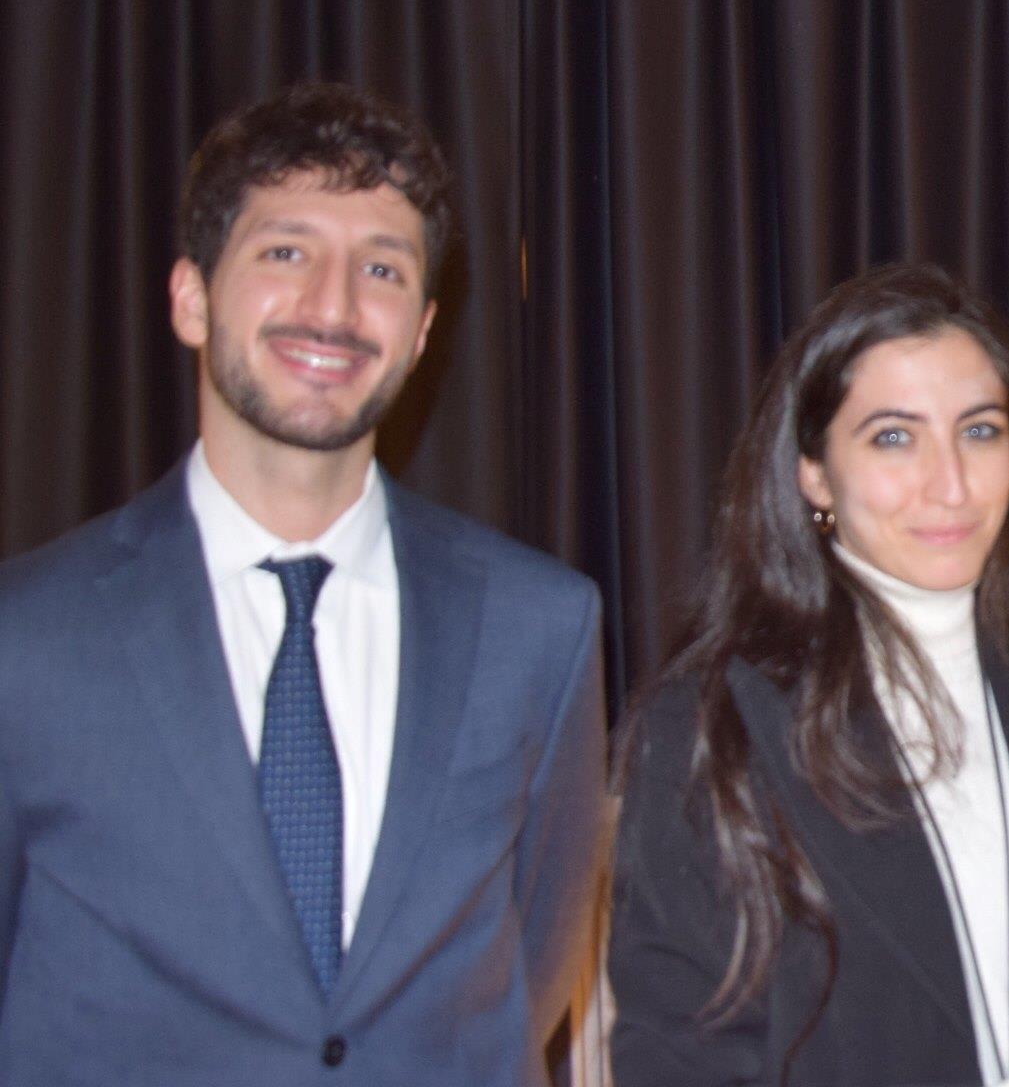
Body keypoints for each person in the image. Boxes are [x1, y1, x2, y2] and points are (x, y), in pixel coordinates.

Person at [0, 83, 607, 1085]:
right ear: (192, 299)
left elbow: (533, 965)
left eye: (382, 268)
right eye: (286, 252)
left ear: (422, 329)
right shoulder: (27, 637)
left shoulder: (540, 626)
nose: (333, 305)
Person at [608, 263, 1009, 1086]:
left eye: (979, 432)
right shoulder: (712, 724)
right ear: (814, 473)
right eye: (893, 437)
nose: (951, 485)